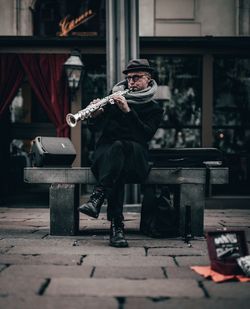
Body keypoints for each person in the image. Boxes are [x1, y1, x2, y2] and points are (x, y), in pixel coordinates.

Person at [79, 59, 163, 247]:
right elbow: (97, 130)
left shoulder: (154, 108)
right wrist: (95, 115)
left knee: (120, 149)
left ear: (148, 80)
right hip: (106, 155)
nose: (131, 81)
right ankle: (116, 226)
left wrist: (127, 111)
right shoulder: (113, 99)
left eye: (136, 78)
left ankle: (101, 203)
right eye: (129, 78)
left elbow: (145, 135)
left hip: (135, 156)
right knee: (116, 155)